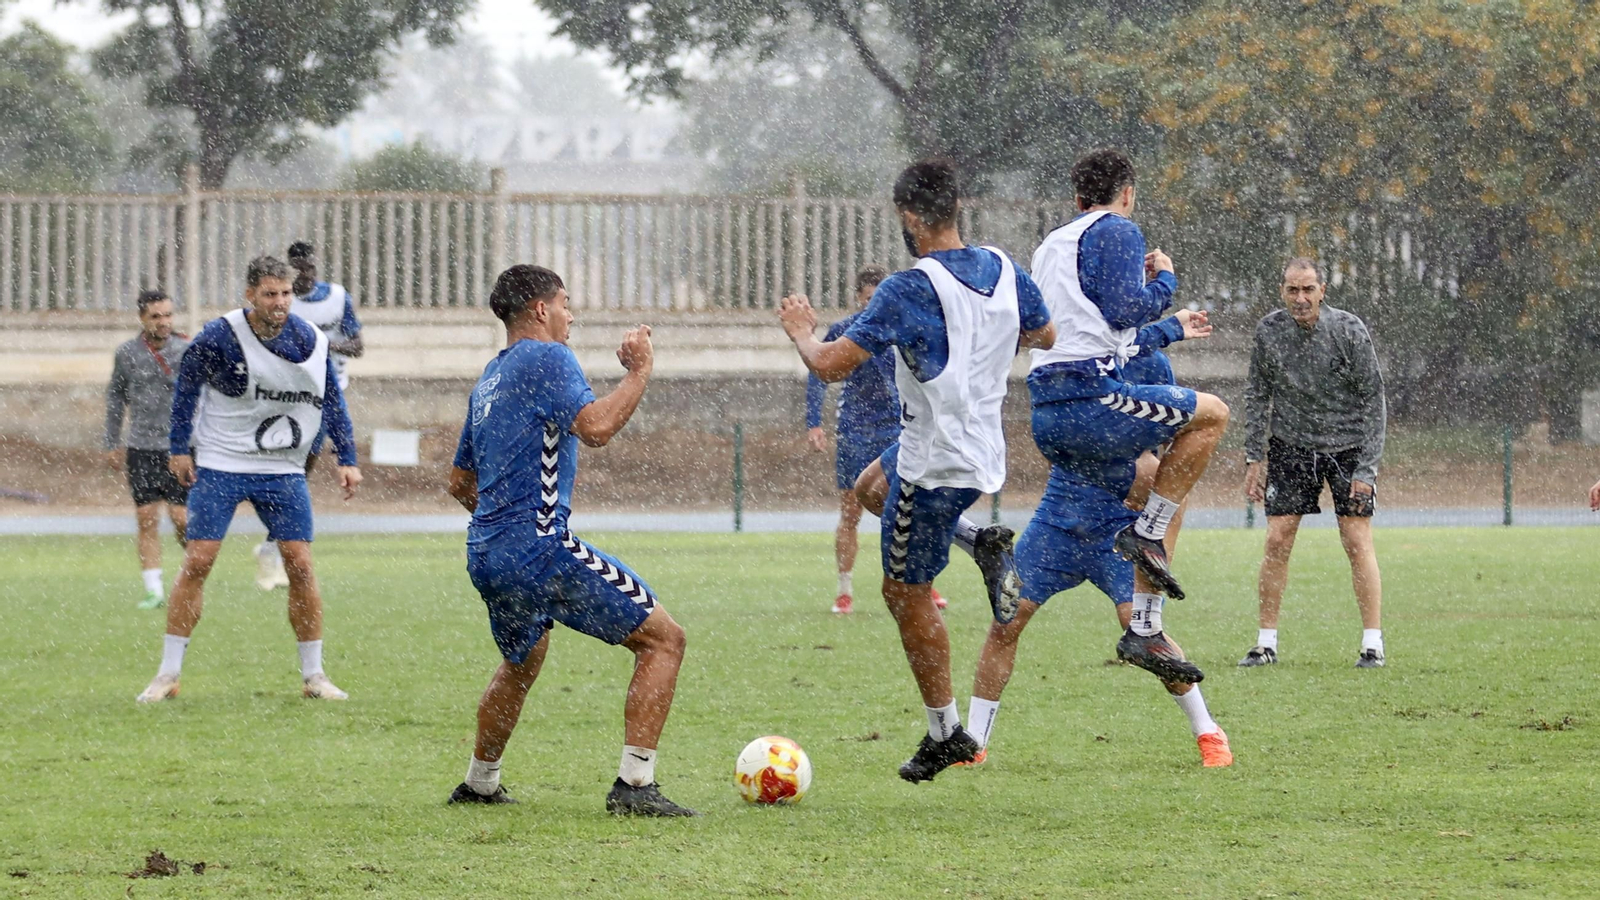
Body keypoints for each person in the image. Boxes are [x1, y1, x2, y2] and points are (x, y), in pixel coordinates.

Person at [779, 159, 1056, 783]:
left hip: (934, 464)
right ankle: (980, 543)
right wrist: (978, 354)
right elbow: (1045, 331)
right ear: (956, 206)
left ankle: (945, 733)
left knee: (901, 592)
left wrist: (800, 331)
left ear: (909, 217)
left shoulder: (907, 289)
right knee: (866, 488)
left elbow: (828, 365)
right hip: (978, 450)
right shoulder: (1007, 269)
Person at [445, 264, 694, 816]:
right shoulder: (548, 356)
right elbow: (597, 427)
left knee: (522, 658)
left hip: (485, 551)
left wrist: (501, 525)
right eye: (564, 302)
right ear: (540, 310)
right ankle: (635, 787)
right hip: (535, 546)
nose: (571, 314)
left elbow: (460, 482)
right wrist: (639, 372)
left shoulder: (490, 378)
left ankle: (480, 782)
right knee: (663, 641)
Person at [965, 307, 1234, 769]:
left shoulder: (1150, 364)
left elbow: (1176, 471)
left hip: (1120, 533)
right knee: (1005, 622)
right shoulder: (1068, 350)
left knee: (1146, 634)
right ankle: (972, 743)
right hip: (1059, 522)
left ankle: (1208, 731)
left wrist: (1160, 545)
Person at [1023, 148, 1231, 688]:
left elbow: (1098, 325)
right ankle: (1148, 545)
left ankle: (1145, 624)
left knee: (1010, 620)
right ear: (1129, 193)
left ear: (1076, 198)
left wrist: (1169, 325)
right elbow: (1125, 312)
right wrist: (1165, 282)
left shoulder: (1051, 246)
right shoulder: (1118, 227)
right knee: (1209, 419)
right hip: (1092, 399)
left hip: (1050, 411)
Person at [135, 256, 362, 703]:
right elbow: (187, 388)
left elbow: (332, 400)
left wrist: (347, 457)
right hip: (222, 463)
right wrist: (179, 447)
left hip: (281, 469)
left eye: (285, 294)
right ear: (250, 295)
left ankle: (314, 676)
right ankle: (168, 674)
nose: (279, 302)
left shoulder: (312, 340)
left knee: (299, 563)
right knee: (199, 559)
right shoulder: (221, 334)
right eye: (269, 294)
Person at [1239, 258, 1387, 668]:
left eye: (1308, 290)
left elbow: (1374, 399)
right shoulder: (1269, 331)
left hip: (1348, 447)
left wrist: (1367, 469)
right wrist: (1255, 456)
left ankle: (1372, 644)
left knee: (1356, 541)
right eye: (1293, 290)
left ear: (1323, 291)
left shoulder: (1348, 330)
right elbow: (1257, 394)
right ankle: (1265, 642)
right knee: (1276, 540)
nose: (1300, 298)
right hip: (1291, 446)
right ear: (1282, 291)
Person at [804, 265, 944, 614]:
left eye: (877, 299)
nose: (872, 306)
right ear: (858, 298)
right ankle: (844, 590)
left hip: (897, 429)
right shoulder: (845, 330)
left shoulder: (901, 327)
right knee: (851, 512)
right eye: (866, 299)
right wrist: (814, 423)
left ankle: (923, 585)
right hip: (856, 429)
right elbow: (818, 374)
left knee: (908, 509)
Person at [254, 241, 366, 592]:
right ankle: (276, 547)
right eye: (299, 269)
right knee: (294, 473)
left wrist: (322, 346)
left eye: (310, 268)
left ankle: (274, 546)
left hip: (331, 392)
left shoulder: (336, 297)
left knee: (299, 472)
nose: (306, 274)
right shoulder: (283, 303)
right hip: (296, 398)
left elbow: (357, 345)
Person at [104, 290, 192, 610]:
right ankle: (153, 589)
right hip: (141, 446)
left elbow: (205, 395)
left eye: (168, 315)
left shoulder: (187, 350)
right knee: (146, 518)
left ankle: (192, 574)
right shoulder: (127, 353)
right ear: (142, 319)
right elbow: (116, 397)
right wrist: (112, 441)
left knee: (181, 518)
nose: (164, 322)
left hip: (179, 447)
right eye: (156, 316)